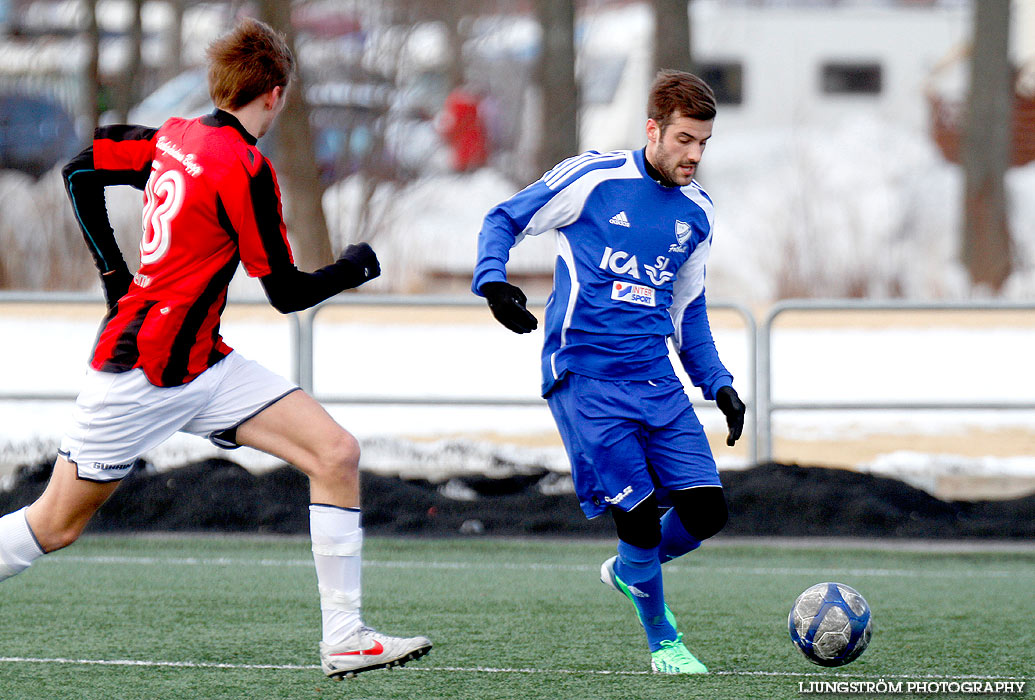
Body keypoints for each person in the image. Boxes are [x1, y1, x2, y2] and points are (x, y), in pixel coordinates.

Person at [0, 18, 430, 680]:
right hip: (139, 374)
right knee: (52, 527)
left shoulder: (174, 136)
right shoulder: (246, 167)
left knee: (335, 452)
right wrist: (352, 268)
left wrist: (114, 274)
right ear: (277, 94)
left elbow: (81, 167)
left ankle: (345, 637)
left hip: (204, 361)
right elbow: (285, 291)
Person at [472, 69, 746, 674]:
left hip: (656, 381)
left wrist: (718, 382)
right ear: (653, 130)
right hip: (585, 376)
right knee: (640, 514)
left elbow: (687, 311)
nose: (694, 155)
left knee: (707, 512)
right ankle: (664, 642)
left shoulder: (697, 213)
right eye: (684, 140)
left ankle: (630, 571)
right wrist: (493, 280)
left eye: (703, 143)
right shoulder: (593, 177)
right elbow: (503, 217)